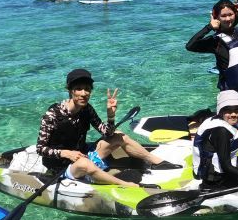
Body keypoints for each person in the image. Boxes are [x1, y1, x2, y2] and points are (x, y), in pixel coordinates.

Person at [36, 69, 180, 187]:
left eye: (87, 89)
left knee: (119, 135)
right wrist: (66, 153)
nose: (84, 93)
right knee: (85, 164)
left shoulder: (87, 109)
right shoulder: (52, 115)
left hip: (83, 155)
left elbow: (107, 132)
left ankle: (155, 162)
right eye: (78, 89)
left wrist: (111, 116)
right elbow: (40, 148)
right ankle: (124, 184)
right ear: (70, 91)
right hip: (61, 167)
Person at [186, 0, 238, 129]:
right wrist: (208, 27)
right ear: (216, 17)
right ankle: (204, 120)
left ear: (235, 14)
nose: (228, 18)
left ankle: (207, 117)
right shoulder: (215, 41)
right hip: (229, 91)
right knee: (230, 126)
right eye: (223, 16)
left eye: (230, 14)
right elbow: (190, 46)